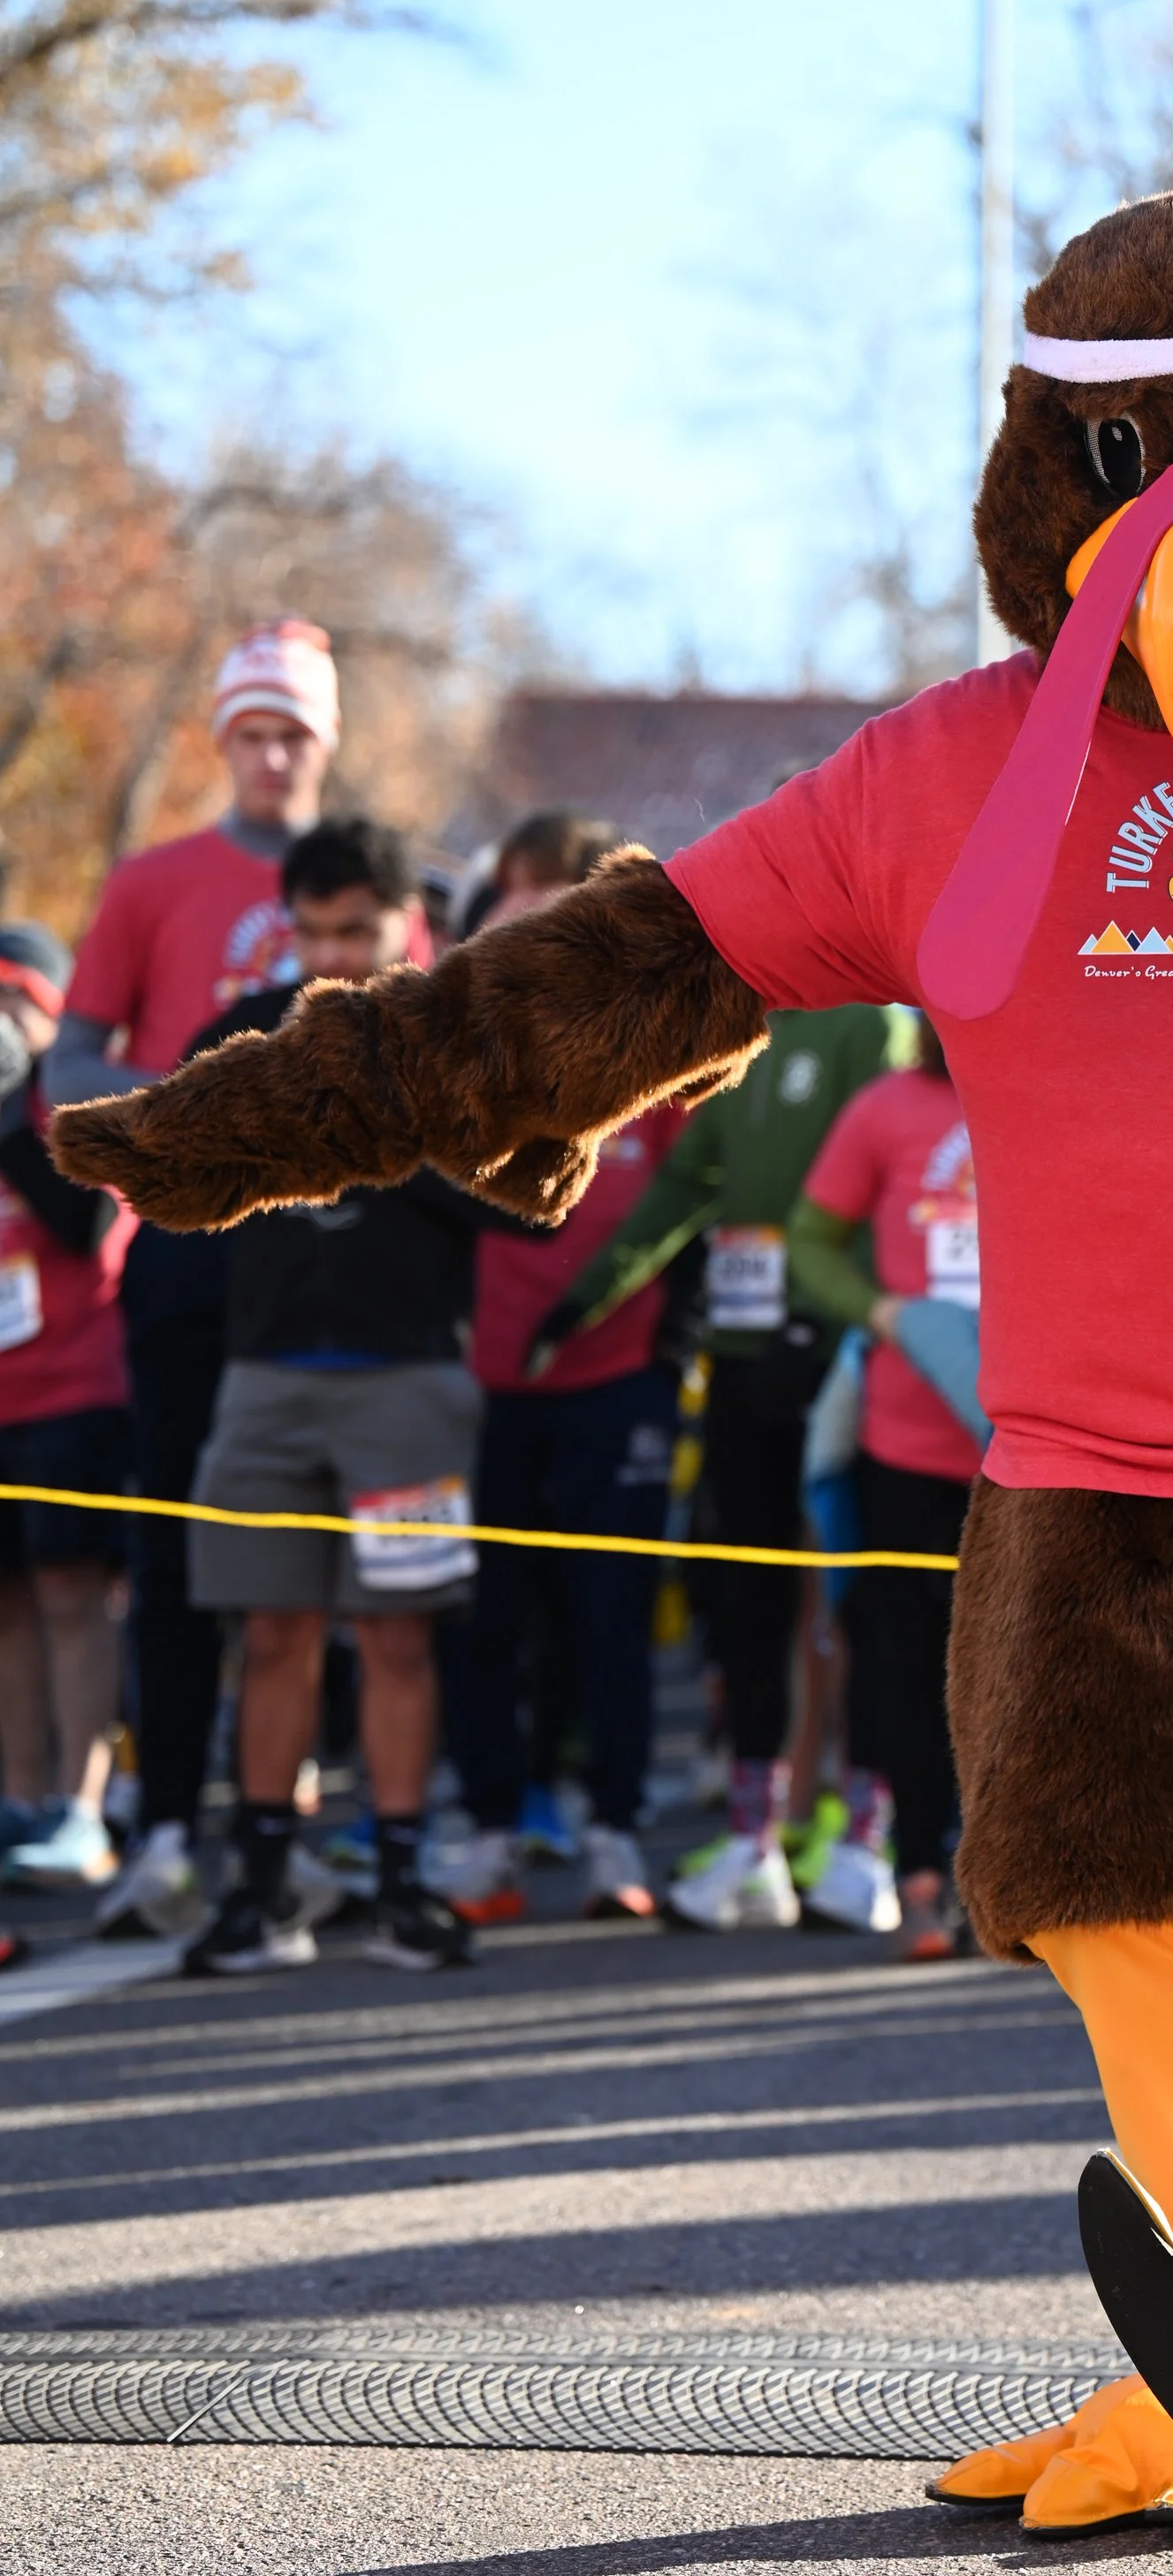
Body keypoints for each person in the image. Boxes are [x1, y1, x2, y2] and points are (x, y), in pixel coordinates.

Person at [50, 621, 342, 1937]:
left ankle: (308, 1829)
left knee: (325, 1569)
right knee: (174, 1550)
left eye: (294, 734)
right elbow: (68, 1064)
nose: (273, 757)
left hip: (332, 1272)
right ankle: (166, 1826)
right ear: (224, 744)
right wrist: (174, 1123)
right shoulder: (152, 882)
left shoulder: (371, 883)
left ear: (325, 742)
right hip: (182, 1263)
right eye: (251, 734)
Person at [179, 817, 495, 1978]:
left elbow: (519, 1204)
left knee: (399, 1636)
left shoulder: (456, 1043)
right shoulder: (239, 1037)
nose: (329, 957)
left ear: (409, 924)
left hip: (406, 1381)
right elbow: (176, 1186)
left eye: (355, 932)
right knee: (270, 1632)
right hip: (263, 1379)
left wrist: (382, 1116)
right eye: (311, 932)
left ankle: (402, 1885)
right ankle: (263, 1888)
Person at [539, 1000, 900, 1927]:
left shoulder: (870, 1026)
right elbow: (684, 1184)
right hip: (742, 1360)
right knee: (748, 1601)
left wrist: (833, 1320)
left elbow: (884, 1182)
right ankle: (754, 1838)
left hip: (842, 1361)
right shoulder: (735, 1026)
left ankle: (867, 1837)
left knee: (860, 1602)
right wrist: (588, 1297)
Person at [433, 818, 689, 1922]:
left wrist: (660, 1343)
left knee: (609, 1618)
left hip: (616, 1384)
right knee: (482, 1617)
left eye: (558, 912)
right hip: (476, 1387)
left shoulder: (659, 1050)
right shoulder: (453, 1046)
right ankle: (491, 1829)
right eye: (516, 910)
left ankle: (613, 1833)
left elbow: (690, 1204)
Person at [777, 1023, 982, 1955]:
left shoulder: (1063, 1089)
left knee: (1023, 1669)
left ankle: (1008, 1874)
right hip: (903, 1447)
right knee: (908, 1665)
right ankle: (920, 1874)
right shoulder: (884, 1108)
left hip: (1038, 1453)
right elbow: (810, 1243)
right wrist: (881, 1312)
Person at [0, 922, 133, 1889]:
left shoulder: (76, 1100)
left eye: (15, 1002)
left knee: (70, 1594)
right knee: (7, 1609)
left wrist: (13, 1115)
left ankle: (82, 1806)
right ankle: (19, 1800)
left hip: (77, 1387)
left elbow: (90, 1224)